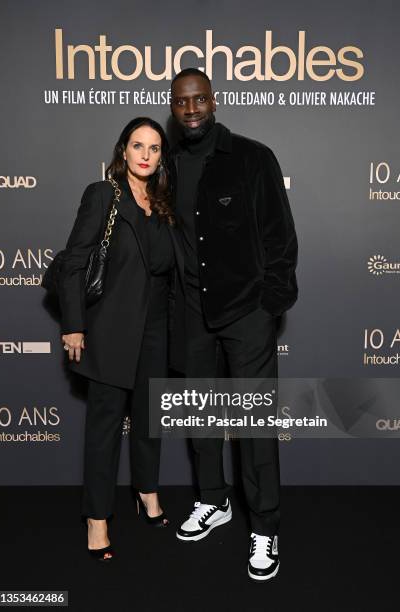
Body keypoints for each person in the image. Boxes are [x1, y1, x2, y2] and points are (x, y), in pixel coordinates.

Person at [169, 68, 298, 581]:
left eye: (200, 99)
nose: (192, 109)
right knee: (200, 415)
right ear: (172, 107)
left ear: (214, 101)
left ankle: (264, 527)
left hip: (246, 312)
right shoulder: (168, 164)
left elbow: (280, 238)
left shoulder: (252, 157)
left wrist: (269, 305)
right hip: (192, 313)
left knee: (254, 424)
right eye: (182, 102)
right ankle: (213, 501)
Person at [58, 117, 183, 561]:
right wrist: (74, 325)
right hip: (110, 329)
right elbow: (74, 261)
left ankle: (147, 492)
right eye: (137, 145)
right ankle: (97, 518)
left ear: (161, 156)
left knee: (150, 420)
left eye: (154, 148)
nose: (146, 154)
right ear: (123, 151)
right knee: (105, 429)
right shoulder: (104, 195)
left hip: (156, 330)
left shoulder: (166, 204)